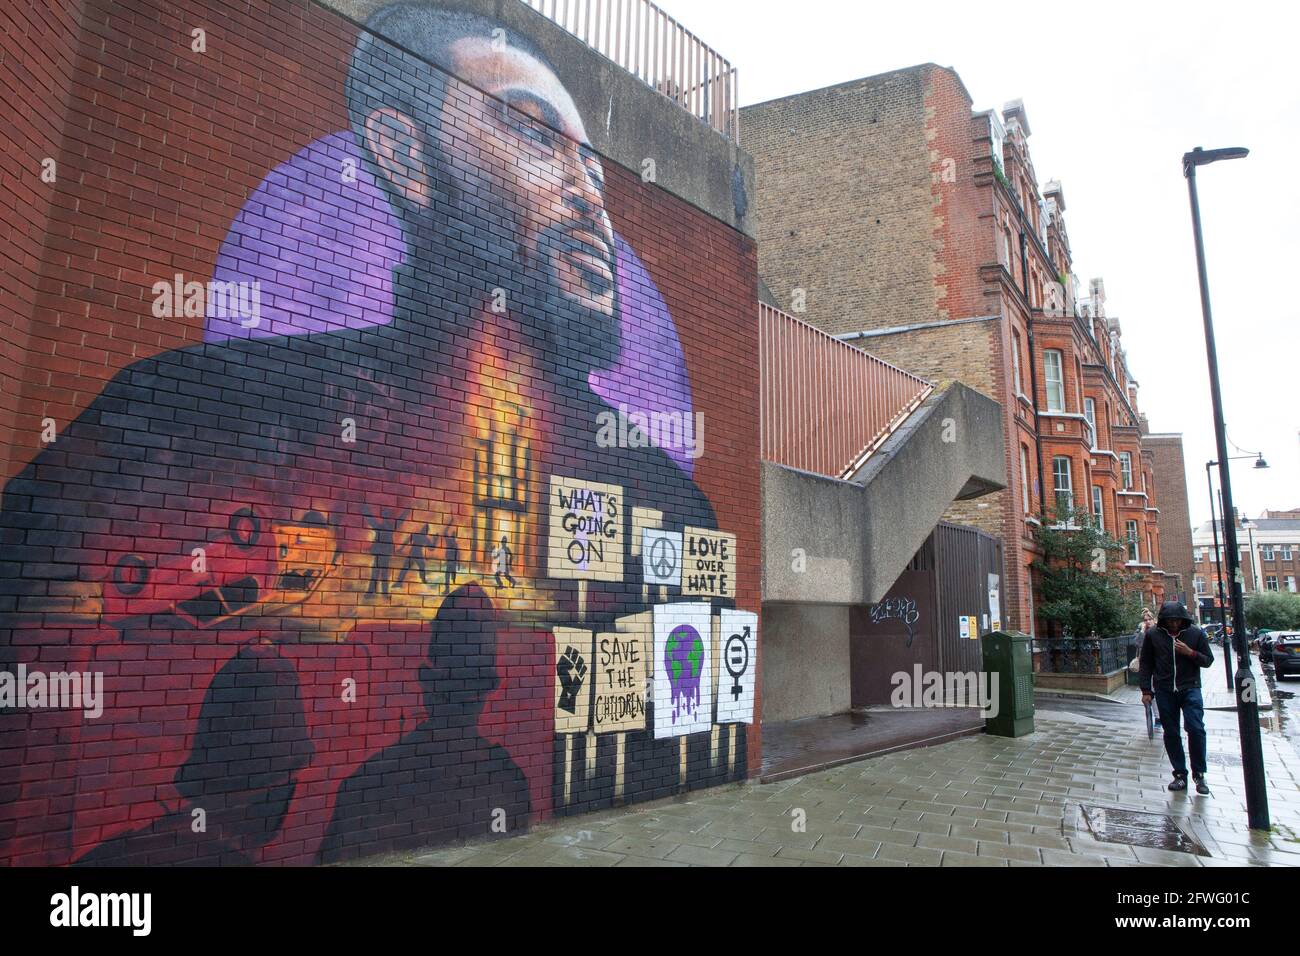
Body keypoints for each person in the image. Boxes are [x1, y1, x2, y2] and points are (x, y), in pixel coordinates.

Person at [1139, 601, 1215, 794]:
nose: (1174, 624)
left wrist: (1190, 653)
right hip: (1164, 690)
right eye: (1170, 621)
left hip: (1190, 687)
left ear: (1183, 619)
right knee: (1171, 732)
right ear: (1164, 620)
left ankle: (1199, 774)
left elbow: (1208, 660)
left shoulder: (1195, 634)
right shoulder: (1153, 635)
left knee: (1196, 728)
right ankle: (1180, 774)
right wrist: (1146, 691)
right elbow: (1146, 663)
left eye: (1177, 620)